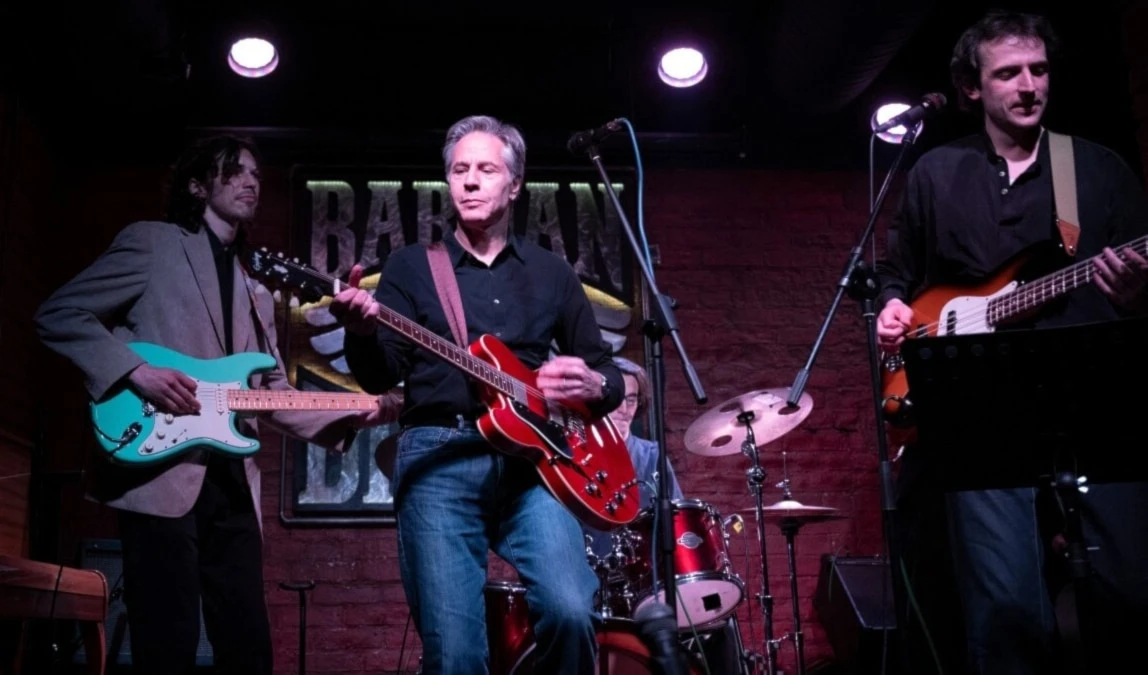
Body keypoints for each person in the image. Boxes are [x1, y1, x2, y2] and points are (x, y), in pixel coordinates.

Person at [35, 134, 394, 675]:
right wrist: (138, 372)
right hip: (160, 470)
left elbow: (269, 392)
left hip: (232, 484)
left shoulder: (256, 288)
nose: (250, 181)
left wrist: (366, 408)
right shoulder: (153, 244)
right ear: (198, 184)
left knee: (249, 647)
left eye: (255, 174)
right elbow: (60, 314)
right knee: (166, 642)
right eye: (234, 171)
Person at [876, 10, 1148, 674]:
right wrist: (889, 308)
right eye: (1008, 73)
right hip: (979, 418)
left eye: (1039, 70)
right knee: (1005, 615)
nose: (1028, 85)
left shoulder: (1097, 168)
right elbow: (897, 274)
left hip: (1094, 407)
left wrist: (1135, 295)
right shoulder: (936, 173)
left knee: (1130, 599)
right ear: (974, 87)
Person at [329, 114, 624, 675]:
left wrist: (593, 382)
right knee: (457, 653)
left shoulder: (551, 272)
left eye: (485, 169)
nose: (468, 181)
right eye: (458, 170)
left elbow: (606, 371)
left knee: (570, 611)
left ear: (514, 185)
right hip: (440, 455)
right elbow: (378, 375)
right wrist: (361, 332)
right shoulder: (413, 267)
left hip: (537, 466)